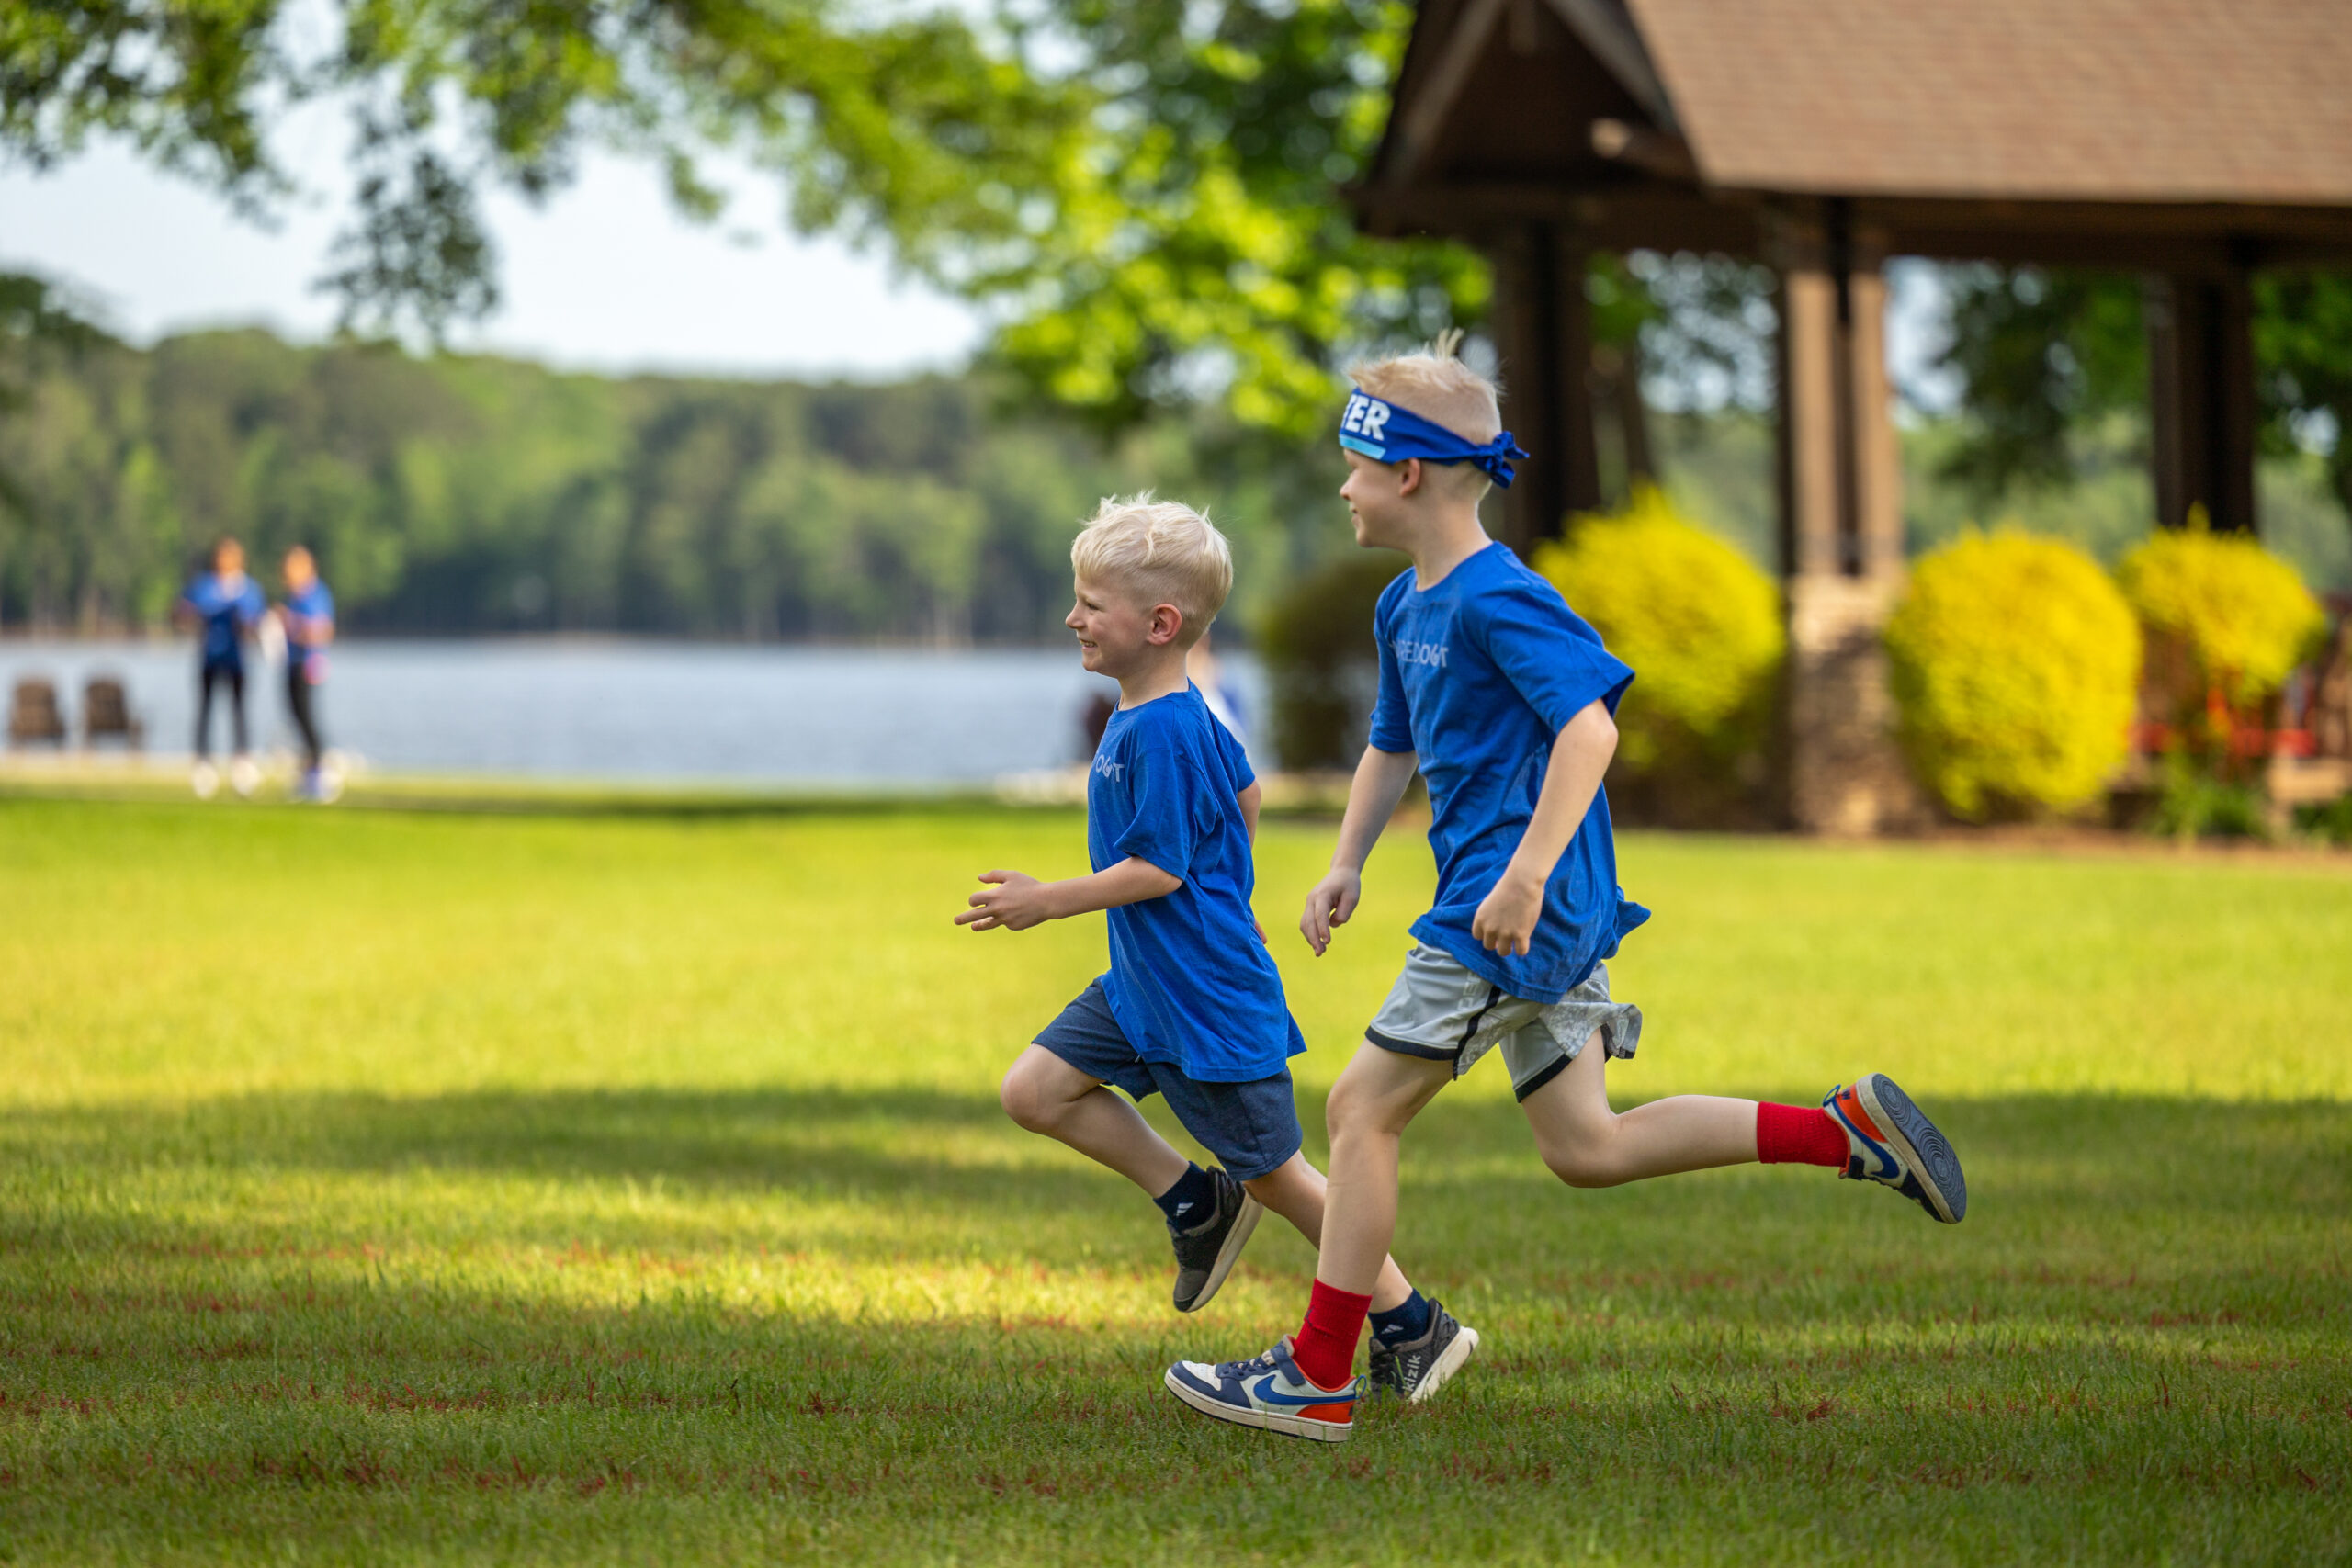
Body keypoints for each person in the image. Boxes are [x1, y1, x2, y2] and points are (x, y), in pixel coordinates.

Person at [1165, 338, 1968, 1442]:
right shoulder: (1407, 607)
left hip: (1513, 913)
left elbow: (1589, 732)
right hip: (1521, 912)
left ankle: (1318, 1372)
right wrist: (1345, 861)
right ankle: (1843, 1131)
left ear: (1405, 474)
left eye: (1352, 468)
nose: (1341, 488)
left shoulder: (1504, 598)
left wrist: (1526, 875)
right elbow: (1389, 749)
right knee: (1585, 1148)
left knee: (1356, 1113)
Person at [959, 495, 1477, 1438]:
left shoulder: (1158, 728)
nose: (1072, 618)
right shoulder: (1164, 709)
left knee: (1282, 1176)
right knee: (1035, 1091)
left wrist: (1048, 898)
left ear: (1159, 625)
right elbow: (1243, 789)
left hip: (1201, 999)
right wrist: (1230, 893)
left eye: (1090, 604)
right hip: (1143, 987)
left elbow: (1156, 868)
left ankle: (1411, 1322)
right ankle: (1196, 1201)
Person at [175, 537, 266, 799]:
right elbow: (182, 614)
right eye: (221, 556)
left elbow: (258, 624)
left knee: (239, 712)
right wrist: (188, 617)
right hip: (209, 658)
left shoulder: (249, 589)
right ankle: (203, 764)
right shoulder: (203, 585)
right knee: (205, 710)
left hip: (237, 660)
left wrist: (248, 625)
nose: (224, 561)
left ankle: (242, 763)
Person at [276, 545, 338, 802]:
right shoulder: (295, 595)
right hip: (291, 662)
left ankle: (320, 772)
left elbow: (322, 630)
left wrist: (289, 621)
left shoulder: (315, 594)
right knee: (295, 715)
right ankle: (308, 770)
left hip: (308, 664)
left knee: (308, 718)